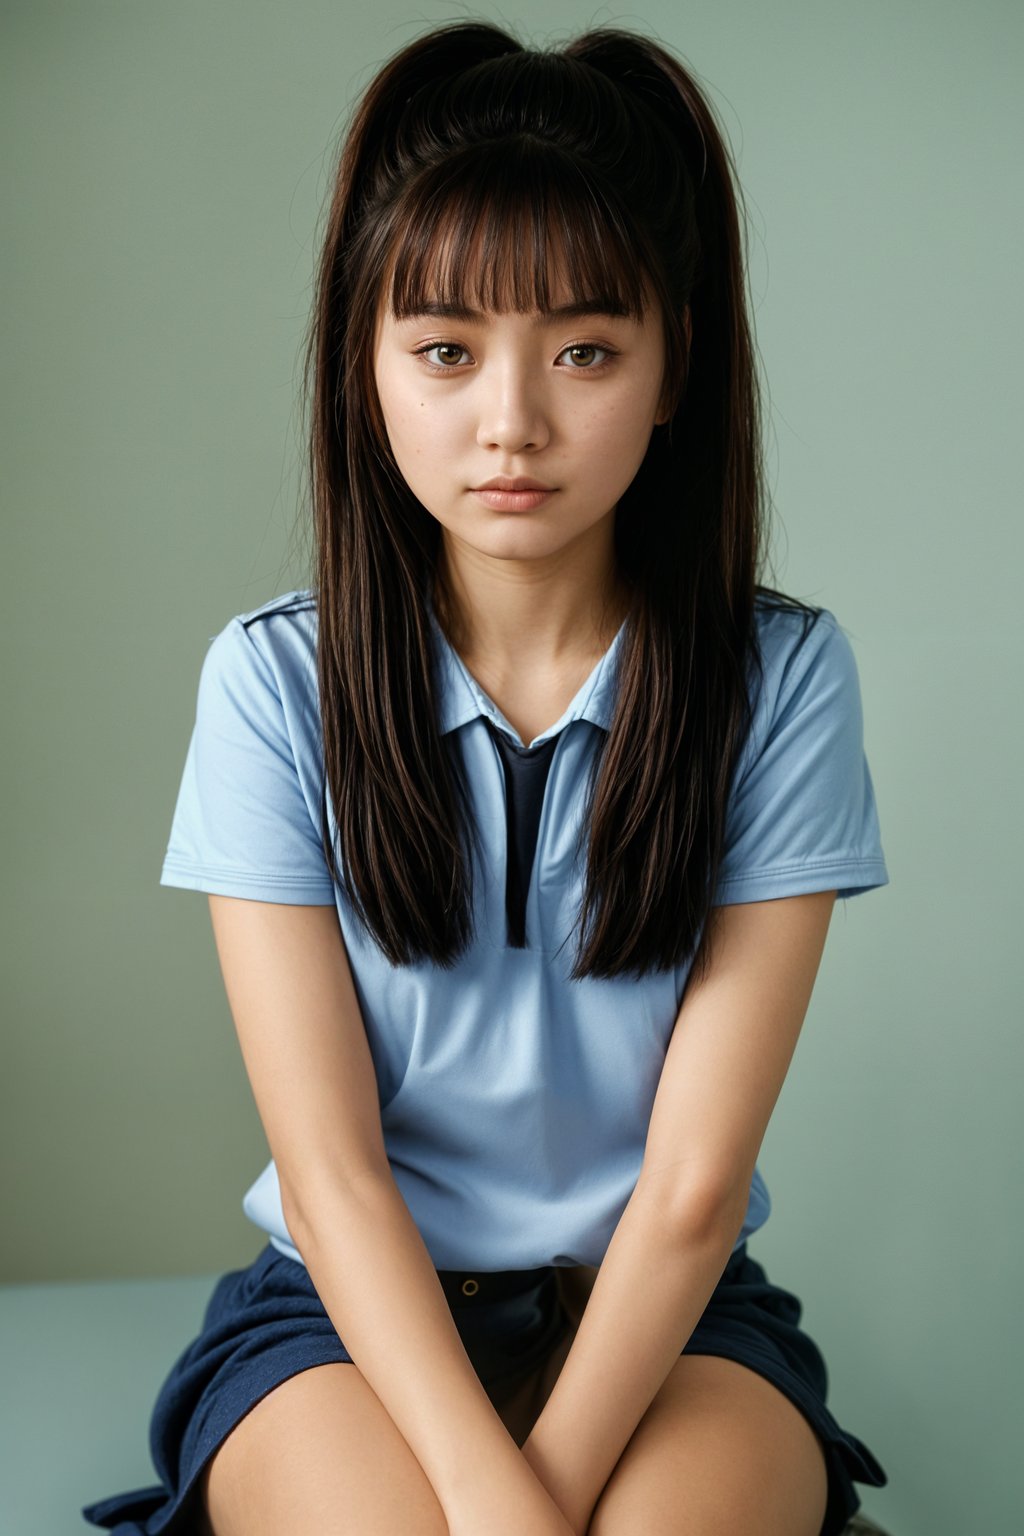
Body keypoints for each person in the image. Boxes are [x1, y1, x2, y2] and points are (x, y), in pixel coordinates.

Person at [82, 19, 892, 1536]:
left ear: (671, 373)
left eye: (585, 349)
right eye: (445, 350)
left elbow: (694, 1188)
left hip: (669, 1318)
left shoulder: (780, 679)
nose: (511, 419)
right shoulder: (273, 684)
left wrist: (552, 1498)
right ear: (367, 367)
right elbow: (331, 1181)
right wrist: (481, 1498)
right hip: (342, 1314)